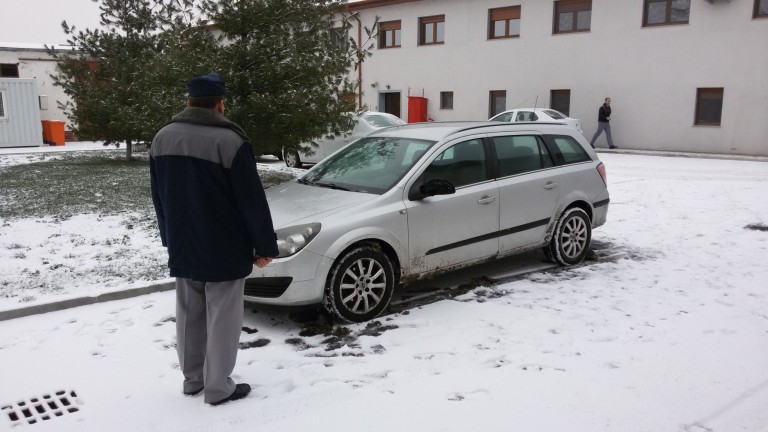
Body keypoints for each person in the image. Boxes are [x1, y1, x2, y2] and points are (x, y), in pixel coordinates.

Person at [150, 72, 279, 406]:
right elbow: (251, 200)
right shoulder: (231, 141)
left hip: (183, 242)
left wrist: (169, 237)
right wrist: (264, 246)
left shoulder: (162, 138)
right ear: (221, 104)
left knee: (189, 313)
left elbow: (159, 197)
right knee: (223, 317)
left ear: (188, 102)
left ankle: (193, 380)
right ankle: (218, 386)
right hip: (224, 245)